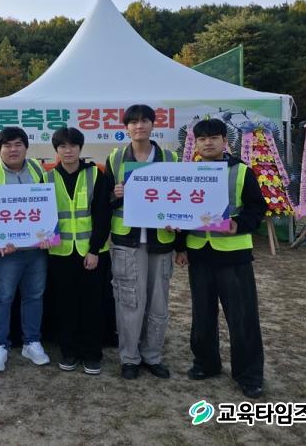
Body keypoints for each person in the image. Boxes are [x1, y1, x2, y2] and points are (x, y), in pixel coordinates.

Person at [175, 118, 267, 399]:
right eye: (202, 139)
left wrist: (239, 224)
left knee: (242, 317)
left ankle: (249, 375)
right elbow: (179, 210)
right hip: (199, 253)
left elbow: (257, 208)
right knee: (202, 314)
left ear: (225, 141)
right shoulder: (186, 173)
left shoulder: (241, 171)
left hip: (233, 255)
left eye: (214, 137)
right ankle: (206, 363)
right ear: (195, 143)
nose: (208, 143)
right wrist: (180, 247)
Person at [105, 104, 178, 380]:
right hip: (128, 242)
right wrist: (115, 194)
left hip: (161, 241)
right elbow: (104, 202)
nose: (139, 126)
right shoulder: (115, 159)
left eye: (144, 120)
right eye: (133, 122)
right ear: (126, 128)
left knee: (158, 303)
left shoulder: (170, 158)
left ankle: (152, 355)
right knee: (129, 302)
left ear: (152, 125)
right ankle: (129, 358)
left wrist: (179, 230)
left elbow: (181, 198)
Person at [0, 127, 50, 372]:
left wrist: (49, 234)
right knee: (1, 298)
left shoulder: (39, 170)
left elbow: (47, 207)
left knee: (34, 296)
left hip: (35, 250)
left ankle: (32, 342)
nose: (13, 149)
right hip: (5, 252)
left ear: (26, 147)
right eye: (7, 145)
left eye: (18, 144)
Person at [44, 127, 110, 375]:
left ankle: (92, 354)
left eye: (73, 145)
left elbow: (102, 215)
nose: (68, 150)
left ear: (80, 148)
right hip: (59, 253)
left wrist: (94, 250)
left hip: (90, 253)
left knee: (92, 304)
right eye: (62, 146)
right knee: (65, 305)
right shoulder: (47, 178)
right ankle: (69, 351)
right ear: (57, 150)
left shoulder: (95, 174)